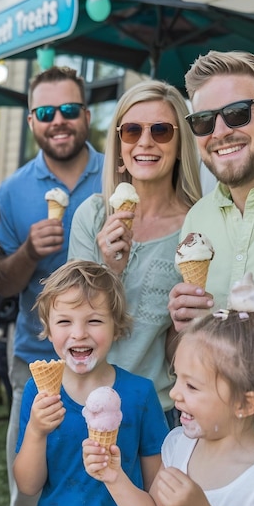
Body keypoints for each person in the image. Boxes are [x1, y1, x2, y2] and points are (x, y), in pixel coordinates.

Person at [0, 66, 104, 506]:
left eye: (68, 110)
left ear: (86, 116)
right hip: (38, 360)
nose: (57, 121)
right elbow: (0, 284)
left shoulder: (119, 175)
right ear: (33, 120)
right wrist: (26, 253)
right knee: (29, 484)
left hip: (108, 358)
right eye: (45, 113)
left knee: (103, 474)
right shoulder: (12, 191)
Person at [13, 260, 168, 506]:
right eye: (64, 321)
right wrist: (37, 431)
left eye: (94, 321)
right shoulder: (38, 394)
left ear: (117, 327)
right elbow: (27, 485)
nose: (79, 333)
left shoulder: (140, 396)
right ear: (48, 328)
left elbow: (158, 500)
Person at [84, 309, 254, 506]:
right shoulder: (179, 444)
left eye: (192, 385)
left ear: (244, 403)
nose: (176, 393)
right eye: (176, 377)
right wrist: (114, 478)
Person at [68, 79, 201, 422]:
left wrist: (190, 325)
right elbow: (71, 325)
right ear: (119, 143)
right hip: (87, 401)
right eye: (131, 131)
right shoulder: (93, 215)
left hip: (159, 410)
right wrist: (110, 270)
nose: (145, 142)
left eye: (160, 130)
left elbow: (188, 344)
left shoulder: (197, 229)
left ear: (180, 143)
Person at [168, 50, 254, 329]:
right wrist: (187, 325)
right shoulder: (197, 219)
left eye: (237, 113)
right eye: (204, 120)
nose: (219, 132)